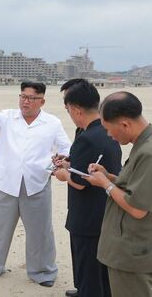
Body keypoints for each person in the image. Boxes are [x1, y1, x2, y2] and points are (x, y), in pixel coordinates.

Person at [0, 82, 71, 287]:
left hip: (37, 182)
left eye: (31, 98)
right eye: (23, 96)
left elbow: (66, 147)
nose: (26, 101)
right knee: (0, 229)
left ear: (41, 101)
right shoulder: (8, 117)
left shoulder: (52, 122)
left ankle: (42, 272)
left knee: (40, 232)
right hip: (6, 181)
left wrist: (60, 161)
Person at [53, 79, 121, 297]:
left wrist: (63, 174)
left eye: (68, 109)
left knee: (87, 267)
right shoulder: (104, 129)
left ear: (75, 109)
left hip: (88, 216)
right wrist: (71, 162)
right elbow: (89, 165)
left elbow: (80, 182)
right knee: (100, 269)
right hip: (106, 211)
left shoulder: (87, 137)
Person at [83, 92, 152, 297]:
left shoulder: (147, 153)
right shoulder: (143, 146)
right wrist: (110, 177)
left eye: (108, 129)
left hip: (133, 250)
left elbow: (138, 209)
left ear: (124, 125)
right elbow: (137, 186)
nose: (109, 136)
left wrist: (105, 184)